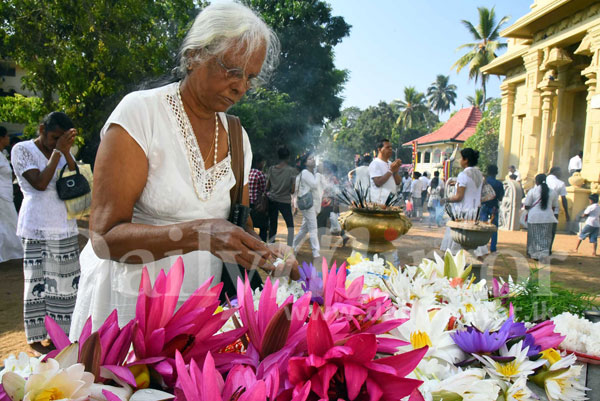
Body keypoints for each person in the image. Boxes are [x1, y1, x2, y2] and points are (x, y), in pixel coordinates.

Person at [70, 2, 297, 337]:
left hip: (196, 312)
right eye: (232, 70)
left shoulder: (237, 137)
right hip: (125, 310)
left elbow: (237, 225)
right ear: (194, 55)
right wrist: (200, 233)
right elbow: (105, 238)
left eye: (250, 77)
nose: (241, 87)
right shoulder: (141, 115)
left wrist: (268, 251)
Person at [10, 112, 80, 349]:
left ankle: (63, 334)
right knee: (37, 283)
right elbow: (39, 183)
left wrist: (66, 152)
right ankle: (37, 338)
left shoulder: (62, 151)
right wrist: (58, 152)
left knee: (66, 284)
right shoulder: (22, 149)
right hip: (36, 225)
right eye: (53, 137)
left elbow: (75, 178)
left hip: (64, 225)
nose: (55, 142)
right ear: (41, 129)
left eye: (61, 138)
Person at [440, 148, 488, 257]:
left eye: (461, 158)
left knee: (457, 245)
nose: (459, 161)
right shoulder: (479, 174)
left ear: (466, 160)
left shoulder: (463, 175)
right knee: (474, 243)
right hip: (475, 211)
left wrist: (446, 199)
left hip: (463, 212)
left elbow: (458, 197)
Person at [0, 126, 23, 263]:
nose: (8, 138)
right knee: (10, 222)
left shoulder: (3, 154)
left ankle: (9, 252)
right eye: (6, 136)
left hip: (6, 193)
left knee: (7, 223)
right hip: (2, 195)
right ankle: (17, 250)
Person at [523, 174, 559, 260]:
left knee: (534, 236)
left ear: (536, 181)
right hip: (548, 217)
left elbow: (527, 205)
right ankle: (544, 254)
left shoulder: (533, 191)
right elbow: (554, 207)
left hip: (534, 217)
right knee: (546, 237)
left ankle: (534, 254)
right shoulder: (553, 192)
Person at [266, 145, 297, 246]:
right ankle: (289, 247)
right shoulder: (291, 171)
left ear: (278, 157)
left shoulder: (271, 169)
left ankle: (270, 246)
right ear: (288, 157)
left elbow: (267, 186)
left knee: (273, 225)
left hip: (272, 200)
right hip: (284, 201)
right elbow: (292, 191)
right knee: (290, 226)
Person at [293, 153, 321, 259]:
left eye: (313, 158)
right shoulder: (305, 173)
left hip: (308, 203)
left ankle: (293, 247)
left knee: (304, 229)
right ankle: (316, 253)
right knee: (313, 228)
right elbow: (314, 185)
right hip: (308, 204)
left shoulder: (306, 173)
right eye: (310, 159)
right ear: (305, 163)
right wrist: (318, 175)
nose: (313, 160)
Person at [368, 139, 402, 203]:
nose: (390, 149)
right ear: (379, 149)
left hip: (391, 201)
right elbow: (378, 183)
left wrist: (395, 172)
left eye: (391, 147)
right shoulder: (375, 163)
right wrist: (391, 170)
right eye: (387, 147)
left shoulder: (390, 163)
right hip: (380, 202)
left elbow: (398, 182)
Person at [480, 165, 504, 253]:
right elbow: (501, 198)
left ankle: (481, 246)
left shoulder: (483, 182)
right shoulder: (499, 184)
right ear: (496, 173)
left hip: (483, 206)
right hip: (494, 207)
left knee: (482, 226)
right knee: (494, 227)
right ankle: (493, 247)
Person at [546, 167, 570, 252]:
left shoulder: (543, 179)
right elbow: (564, 199)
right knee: (551, 232)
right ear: (555, 172)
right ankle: (548, 249)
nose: (561, 174)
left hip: (540, 209)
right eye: (560, 172)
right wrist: (567, 213)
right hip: (553, 211)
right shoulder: (560, 183)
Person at [249, 153, 268, 241]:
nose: (263, 164)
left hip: (247, 204)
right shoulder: (260, 174)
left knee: (248, 226)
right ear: (258, 163)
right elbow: (264, 191)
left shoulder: (247, 171)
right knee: (263, 227)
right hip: (257, 205)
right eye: (262, 162)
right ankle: (262, 244)